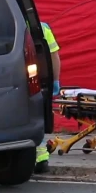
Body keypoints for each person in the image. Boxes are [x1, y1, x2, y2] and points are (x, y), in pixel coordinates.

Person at [35, 21, 61, 174]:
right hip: (41, 81)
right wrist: (55, 80)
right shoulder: (42, 27)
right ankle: (41, 156)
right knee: (38, 118)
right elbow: (54, 56)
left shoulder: (10, 22)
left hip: (18, 80)